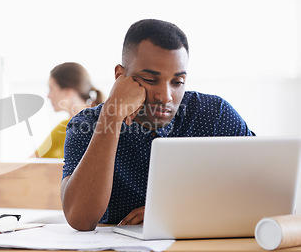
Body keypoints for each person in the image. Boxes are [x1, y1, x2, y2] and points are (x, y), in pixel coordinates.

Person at [61, 19, 254, 231]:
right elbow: (80, 219)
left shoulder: (214, 115)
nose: (165, 96)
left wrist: (178, 212)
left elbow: (262, 188)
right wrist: (112, 114)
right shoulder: (85, 125)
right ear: (120, 76)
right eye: (150, 80)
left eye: (177, 82)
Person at [35, 62, 104, 158]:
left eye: (52, 88)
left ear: (68, 91)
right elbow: (28, 163)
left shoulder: (101, 126)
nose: (48, 95)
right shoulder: (62, 128)